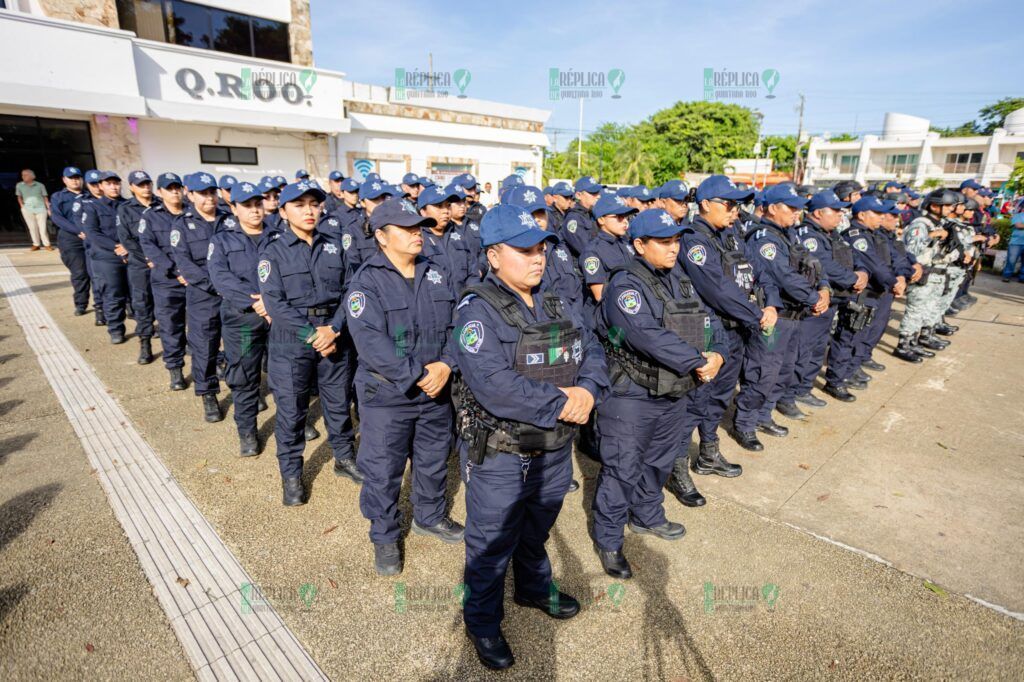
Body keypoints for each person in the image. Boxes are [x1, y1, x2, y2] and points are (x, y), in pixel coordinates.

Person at [454, 204, 609, 670]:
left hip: (554, 447)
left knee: (536, 529)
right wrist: (562, 402)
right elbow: (493, 383)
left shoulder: (557, 301)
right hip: (502, 453)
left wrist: (588, 389)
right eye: (524, 250)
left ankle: (533, 589)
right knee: (489, 542)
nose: (537, 258)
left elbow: (594, 349)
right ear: (494, 255)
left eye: (541, 248)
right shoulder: (476, 310)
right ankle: (482, 622)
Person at [593, 209, 726, 580]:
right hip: (631, 395)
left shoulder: (679, 277)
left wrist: (718, 352)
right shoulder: (625, 285)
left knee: (660, 459)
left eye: (676, 240)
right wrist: (698, 361)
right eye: (664, 242)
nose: (673, 248)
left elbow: (708, 318)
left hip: (675, 389)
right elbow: (645, 333)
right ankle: (608, 539)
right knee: (622, 468)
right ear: (639, 245)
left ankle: (647, 515)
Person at [345, 198, 463, 575]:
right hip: (388, 394)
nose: (418, 234)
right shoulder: (367, 281)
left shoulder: (436, 272)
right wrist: (419, 375)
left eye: (419, 227)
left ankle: (428, 516)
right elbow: (371, 343)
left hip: (436, 388)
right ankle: (383, 535)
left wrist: (446, 364)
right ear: (382, 236)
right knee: (383, 469)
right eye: (408, 229)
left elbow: (457, 325)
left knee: (432, 460)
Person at [258, 180, 361, 507]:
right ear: (283, 210)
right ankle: (291, 473)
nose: (309, 211)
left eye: (314, 204)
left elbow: (351, 291)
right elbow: (274, 303)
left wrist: (333, 329)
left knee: (338, 405)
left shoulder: (335, 245)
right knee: (291, 412)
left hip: (333, 335)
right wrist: (313, 336)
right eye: (300, 205)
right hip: (293, 342)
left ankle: (345, 458)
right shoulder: (272, 251)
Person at [676, 175, 764, 480]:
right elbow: (716, 289)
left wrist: (765, 307)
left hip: (735, 328)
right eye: (728, 205)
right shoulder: (694, 239)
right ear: (705, 205)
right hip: (708, 332)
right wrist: (755, 313)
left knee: (718, 397)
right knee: (696, 400)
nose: (734, 211)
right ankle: (676, 467)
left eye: (737, 205)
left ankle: (709, 452)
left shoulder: (729, 235)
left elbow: (755, 270)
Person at [737, 183, 829, 441]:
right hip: (774, 320)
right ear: (773, 208)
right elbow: (784, 276)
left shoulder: (789, 234)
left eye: (799, 209)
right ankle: (745, 423)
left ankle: (764, 416)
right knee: (763, 372)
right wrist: (814, 297)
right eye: (791, 208)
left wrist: (824, 288)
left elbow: (813, 263)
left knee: (784, 370)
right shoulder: (763, 238)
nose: (796, 214)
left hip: (795, 316)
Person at [780, 190, 867, 409]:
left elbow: (853, 256)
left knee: (817, 349)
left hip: (832, 300)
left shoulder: (832, 233)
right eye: (835, 210)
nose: (840, 215)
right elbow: (824, 265)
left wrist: (861, 272)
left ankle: (803, 389)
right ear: (818, 213)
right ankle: (789, 394)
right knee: (803, 351)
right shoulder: (809, 235)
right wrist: (852, 278)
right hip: (813, 304)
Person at [208, 181, 272, 456]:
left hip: (277, 319)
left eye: (258, 204)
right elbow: (220, 276)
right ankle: (247, 432)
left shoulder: (278, 236)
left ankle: (298, 422)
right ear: (234, 208)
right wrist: (254, 301)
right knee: (245, 377)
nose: (255, 211)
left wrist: (272, 303)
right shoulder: (222, 239)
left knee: (287, 376)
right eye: (247, 205)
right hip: (243, 320)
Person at [823, 195, 905, 401]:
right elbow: (873, 263)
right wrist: (893, 282)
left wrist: (902, 274)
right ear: (861, 215)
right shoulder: (856, 235)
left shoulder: (875, 234)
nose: (882, 217)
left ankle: (849, 372)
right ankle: (835, 380)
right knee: (848, 337)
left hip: (875, 294)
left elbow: (894, 257)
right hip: (861, 294)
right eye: (876, 213)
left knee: (860, 336)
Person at [169, 173, 225, 423]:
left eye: (212, 191)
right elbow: (185, 264)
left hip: (233, 295)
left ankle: (245, 387)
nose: (209, 197)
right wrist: (218, 285)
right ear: (190, 195)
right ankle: (208, 393)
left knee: (243, 345)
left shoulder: (230, 219)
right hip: (204, 296)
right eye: (202, 193)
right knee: (205, 348)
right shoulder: (182, 224)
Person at [139, 173, 189, 391]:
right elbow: (149, 247)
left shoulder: (192, 213)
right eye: (169, 188)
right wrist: (177, 270)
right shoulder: (151, 216)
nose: (175, 191)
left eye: (177, 187)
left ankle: (213, 364)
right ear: (160, 192)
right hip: (167, 281)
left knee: (204, 327)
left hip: (195, 280)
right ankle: (175, 369)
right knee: (171, 327)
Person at [79, 171, 130, 344]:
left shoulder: (128, 205)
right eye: (109, 184)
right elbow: (92, 233)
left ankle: (143, 326)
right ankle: (116, 329)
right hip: (106, 256)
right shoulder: (93, 206)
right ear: (101, 186)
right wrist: (116, 247)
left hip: (130, 254)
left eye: (116, 183)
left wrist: (128, 247)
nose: (114, 187)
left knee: (137, 294)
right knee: (113, 294)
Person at [117, 171, 158, 364]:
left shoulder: (160, 204)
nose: (146, 188)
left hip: (162, 263)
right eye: (141, 185)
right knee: (142, 305)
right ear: (132, 187)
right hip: (140, 265)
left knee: (169, 305)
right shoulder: (125, 209)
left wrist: (158, 258)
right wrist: (148, 257)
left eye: (148, 184)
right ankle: (145, 343)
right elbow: (127, 240)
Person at [418, 185, 480, 291]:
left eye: (447, 206)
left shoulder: (458, 234)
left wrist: (467, 298)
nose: (445, 211)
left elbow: (473, 272)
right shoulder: (417, 238)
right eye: (438, 206)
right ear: (423, 211)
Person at [50, 167, 93, 315]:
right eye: (71, 177)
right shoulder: (58, 197)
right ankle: (81, 303)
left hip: (91, 237)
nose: (75, 180)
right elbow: (57, 218)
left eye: (77, 177)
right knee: (80, 272)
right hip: (70, 240)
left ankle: (104, 305)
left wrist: (88, 232)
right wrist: (78, 231)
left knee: (97, 273)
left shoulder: (89, 195)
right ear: (64, 180)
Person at [341, 179, 392, 277]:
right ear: (363, 203)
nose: (381, 203)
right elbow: (353, 267)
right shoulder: (352, 229)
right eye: (375, 199)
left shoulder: (394, 224)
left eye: (383, 198)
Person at [559, 176, 603, 258]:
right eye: (593, 193)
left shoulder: (591, 214)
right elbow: (586, 250)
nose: (598, 196)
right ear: (578, 195)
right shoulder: (573, 219)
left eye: (598, 192)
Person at [15, 169, 52, 251]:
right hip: (27, 209)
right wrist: (22, 206)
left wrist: (48, 208)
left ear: (32, 176)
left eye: (25, 175)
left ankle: (47, 244)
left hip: (41, 208)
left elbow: (45, 197)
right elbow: (19, 197)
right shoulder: (19, 185)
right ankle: (36, 244)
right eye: (22, 175)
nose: (23, 176)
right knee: (32, 227)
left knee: (43, 227)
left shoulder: (40, 185)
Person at [1002, 209, 1024, 282]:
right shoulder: (1018, 216)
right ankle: (1006, 276)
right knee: (1011, 260)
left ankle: (1022, 278)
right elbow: (1018, 225)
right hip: (1016, 243)